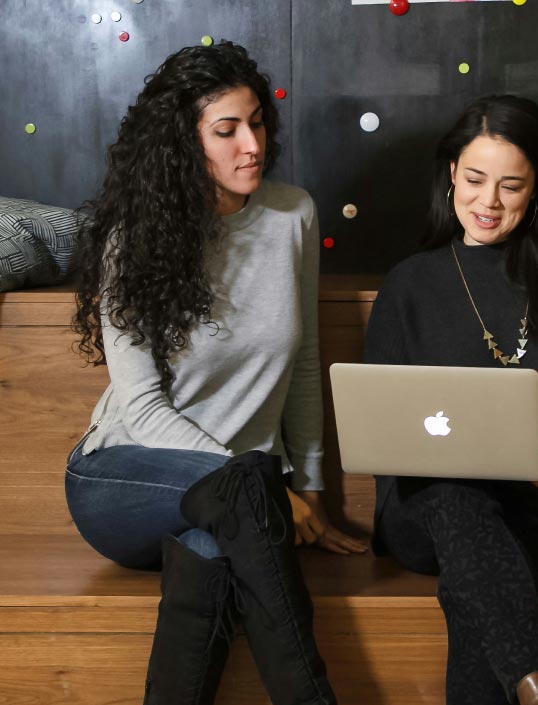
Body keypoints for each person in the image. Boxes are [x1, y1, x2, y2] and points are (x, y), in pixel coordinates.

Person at [67, 41, 367, 705]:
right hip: (122, 481)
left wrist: (309, 486)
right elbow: (142, 409)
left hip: (234, 510)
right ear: (183, 143)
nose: (251, 145)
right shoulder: (135, 236)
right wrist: (262, 490)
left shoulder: (293, 214)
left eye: (257, 122)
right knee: (235, 503)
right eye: (226, 130)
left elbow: (304, 364)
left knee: (209, 551)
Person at [363, 94, 538, 705]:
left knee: (476, 586)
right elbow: (378, 415)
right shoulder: (410, 283)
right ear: (451, 177)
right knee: (453, 494)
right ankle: (535, 683)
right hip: (429, 512)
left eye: (510, 186)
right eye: (475, 180)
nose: (488, 203)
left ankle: (533, 685)